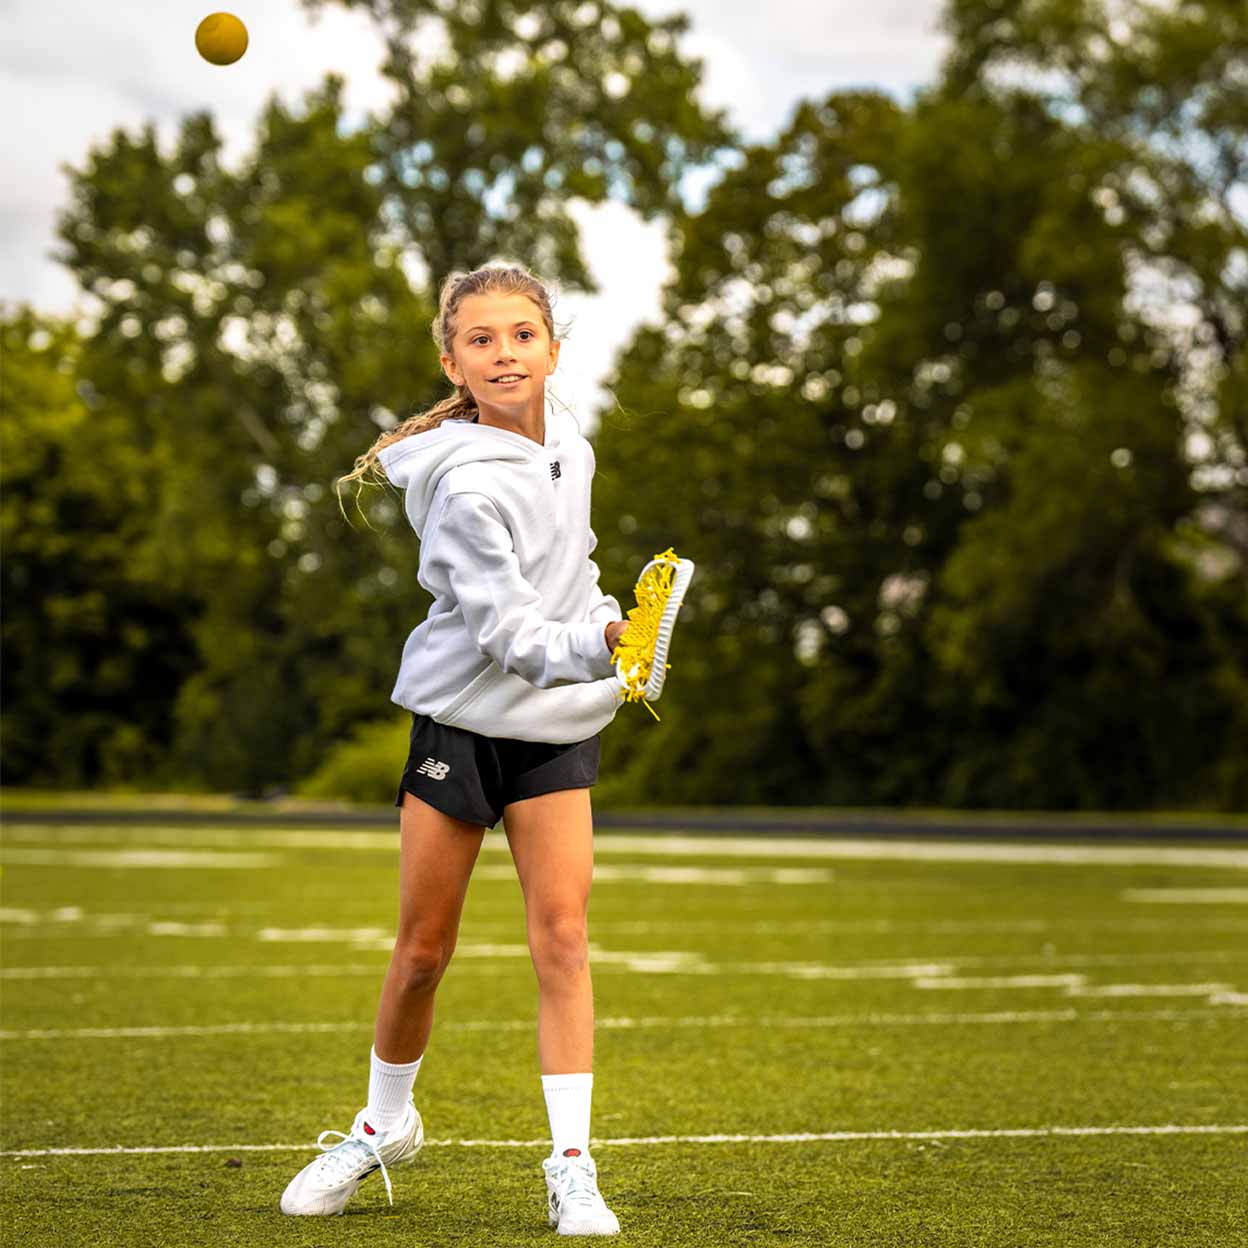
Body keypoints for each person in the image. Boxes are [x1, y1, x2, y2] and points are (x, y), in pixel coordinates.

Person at [279, 263, 628, 1236]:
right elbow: (513, 637)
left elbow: (574, 571)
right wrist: (608, 647)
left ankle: (572, 1165)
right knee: (423, 953)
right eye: (481, 340)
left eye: (522, 335)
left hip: (552, 732)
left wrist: (611, 618)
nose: (504, 354)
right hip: (463, 727)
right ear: (453, 364)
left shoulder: (574, 449)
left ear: (552, 349)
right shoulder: (465, 486)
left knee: (563, 940)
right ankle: (382, 1125)